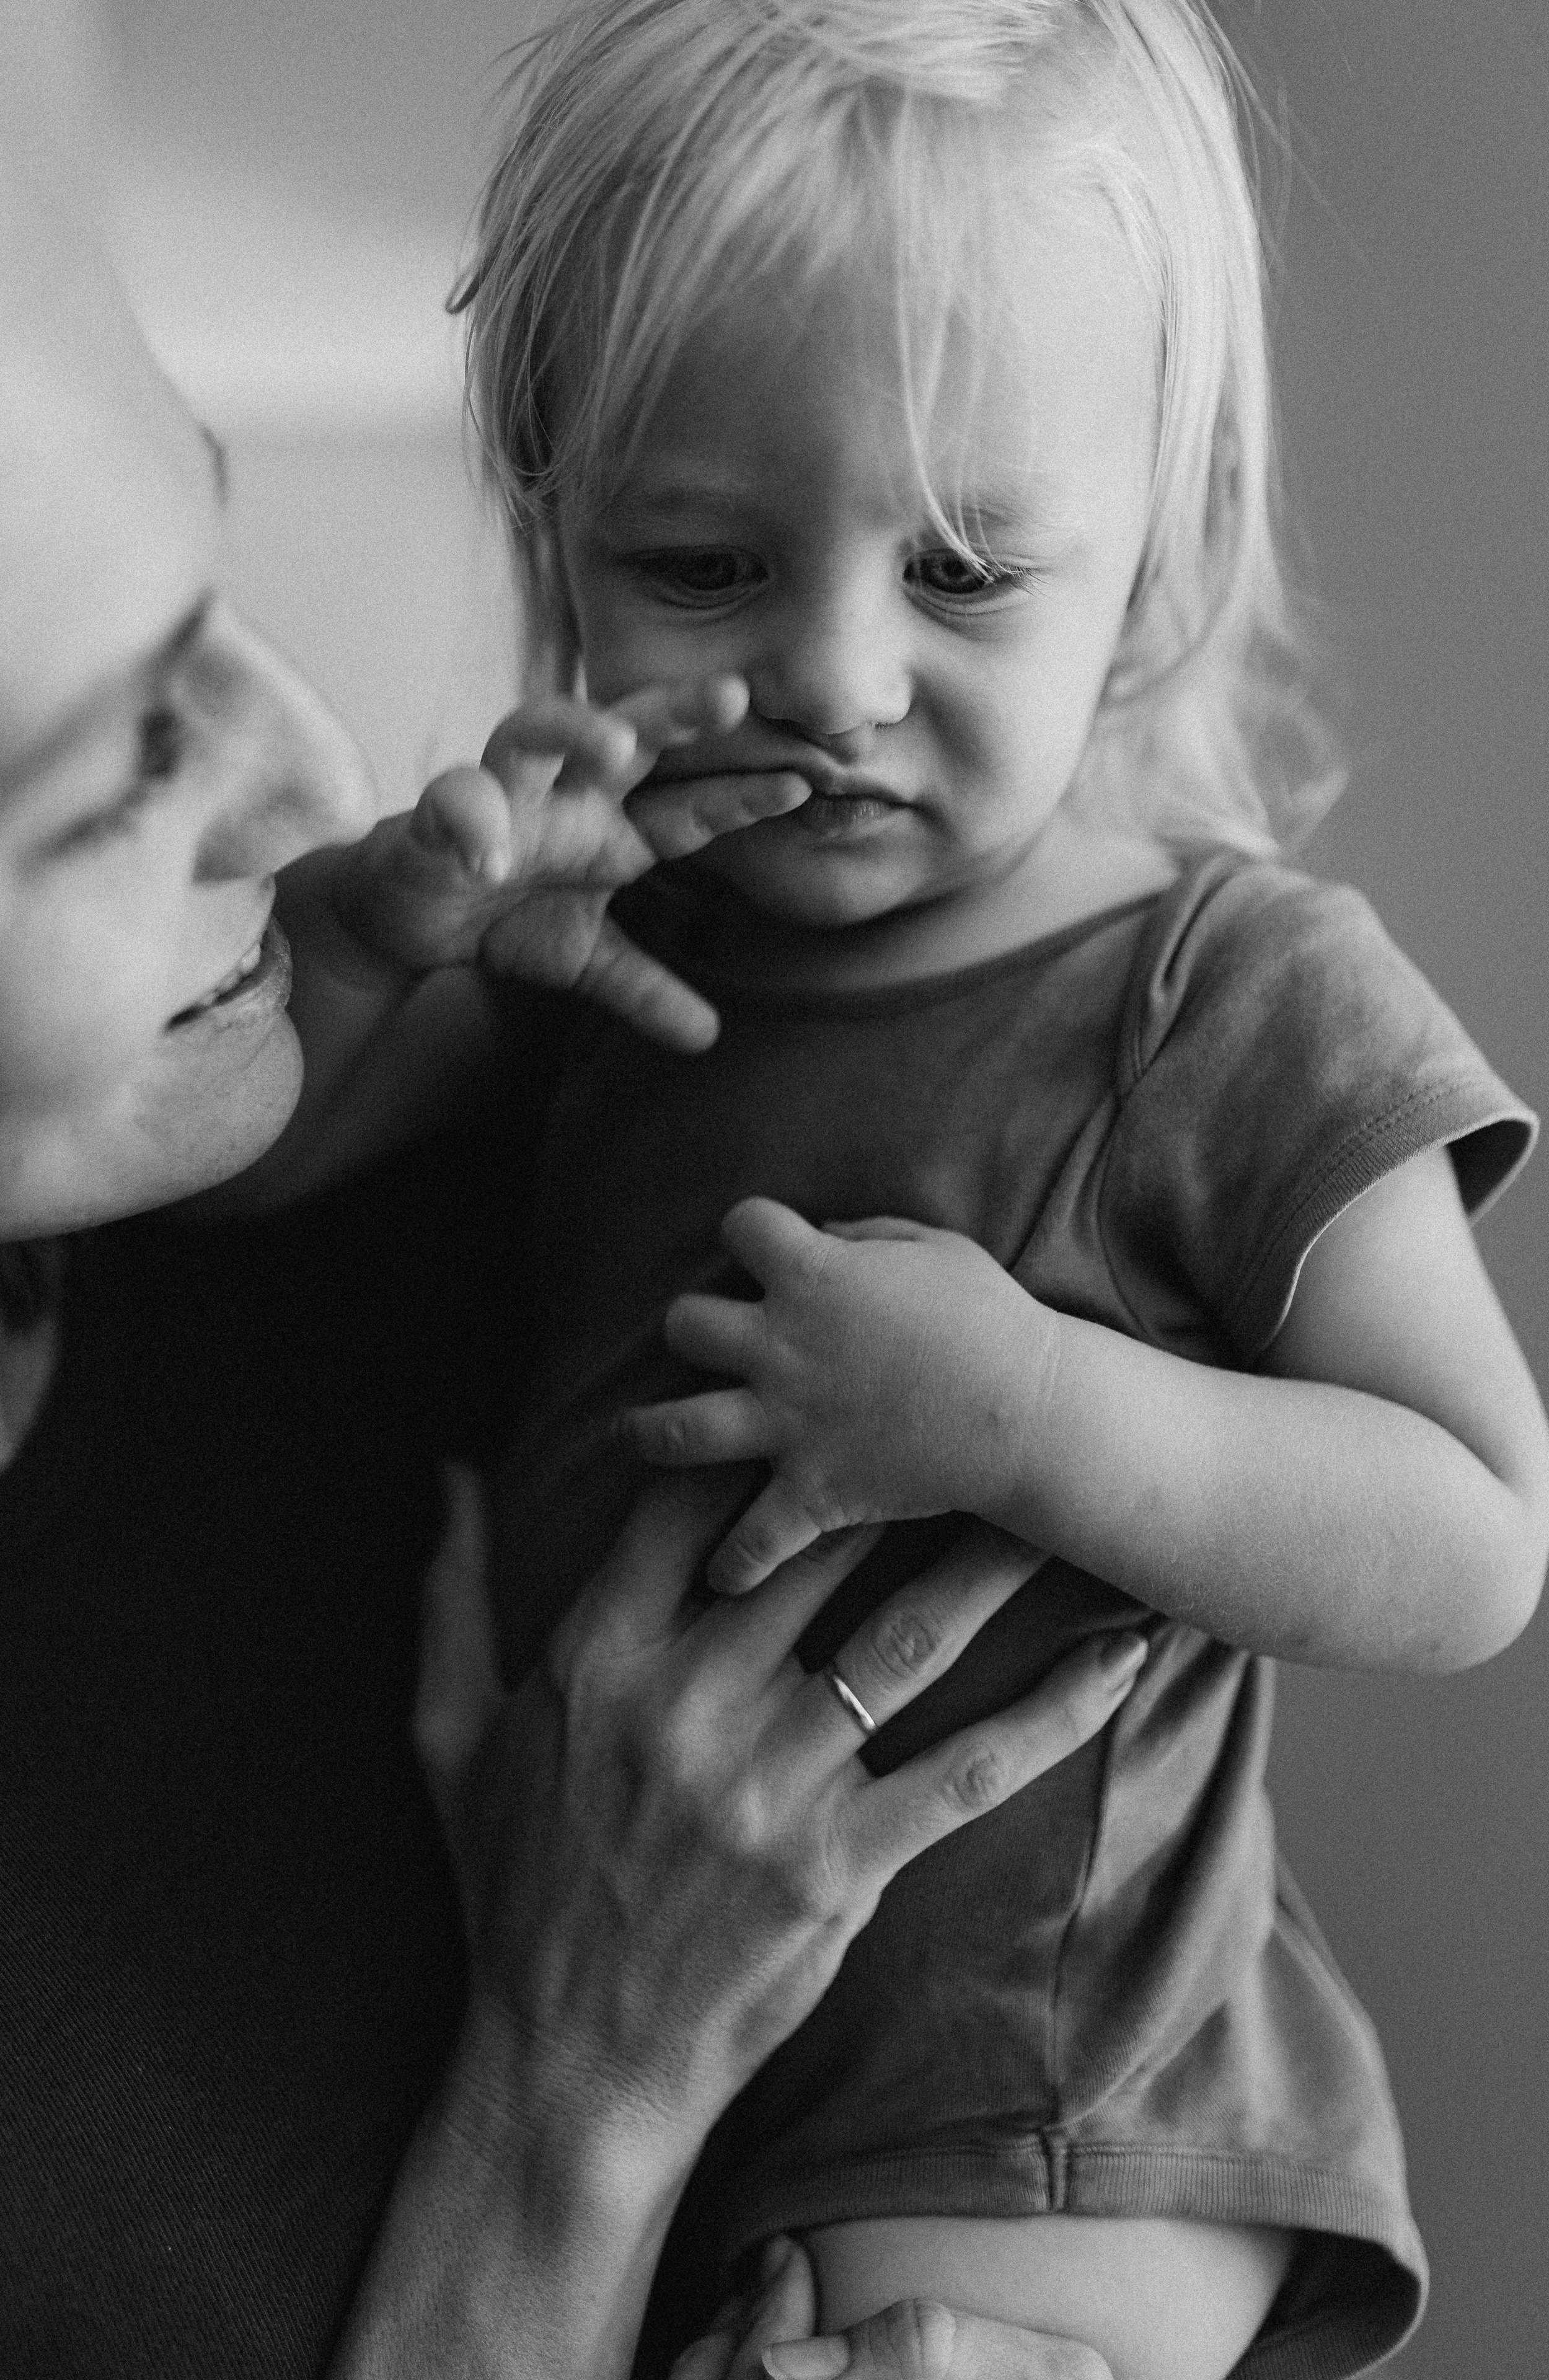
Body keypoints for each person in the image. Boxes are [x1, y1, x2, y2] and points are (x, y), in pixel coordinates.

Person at [254, 2, 1549, 2375]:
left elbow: (1473, 1527)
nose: (835, 673)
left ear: (1149, 562)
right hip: (674, 2140)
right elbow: (264, 1161)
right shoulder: (619, 948)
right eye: (705, 559)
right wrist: (382, 940)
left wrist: (1029, 1414)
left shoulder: (1221, 988)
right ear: (555, 525)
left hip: (1049, 2155)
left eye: (964, 570)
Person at [0, 48, 1144, 2380]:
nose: (312, 759)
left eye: (205, 577)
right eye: (101, 769)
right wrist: (575, 2093)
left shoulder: (312, 1177)